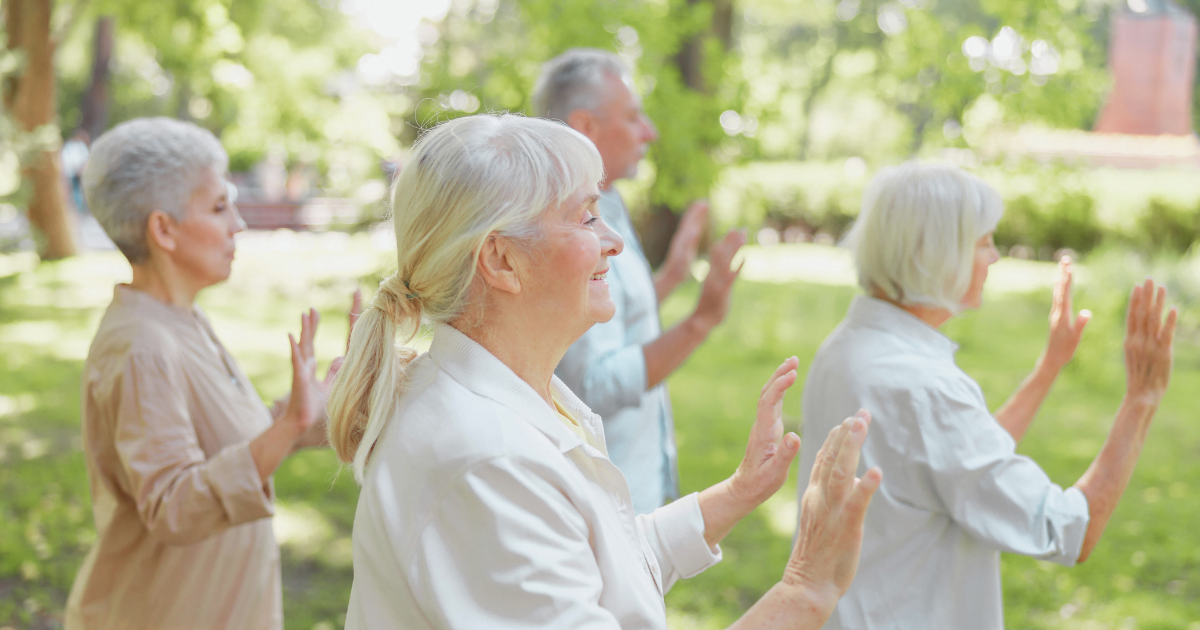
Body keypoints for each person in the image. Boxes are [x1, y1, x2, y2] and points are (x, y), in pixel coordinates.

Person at [327, 113, 883, 629]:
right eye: (587, 216)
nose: (613, 242)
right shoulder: (488, 459)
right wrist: (805, 590)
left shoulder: (511, 399)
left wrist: (737, 493)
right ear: (501, 261)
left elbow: (595, 562)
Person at [796, 161, 1177, 629]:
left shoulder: (850, 346)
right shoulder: (919, 386)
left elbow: (954, 462)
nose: (994, 257)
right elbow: (1068, 529)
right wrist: (1141, 400)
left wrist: (1048, 367)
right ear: (933, 254)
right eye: (983, 242)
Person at [66, 117, 357, 630]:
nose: (238, 224)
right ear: (163, 230)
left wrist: (321, 408)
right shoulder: (142, 347)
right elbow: (173, 505)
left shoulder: (182, 319)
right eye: (220, 207)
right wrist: (287, 427)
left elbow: (236, 447)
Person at [535, 48, 746, 514]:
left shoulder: (605, 203)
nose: (649, 131)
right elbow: (592, 384)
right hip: (607, 503)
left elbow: (611, 309)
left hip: (635, 483)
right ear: (586, 127)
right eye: (633, 117)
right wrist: (701, 322)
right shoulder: (562, 226)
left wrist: (669, 277)